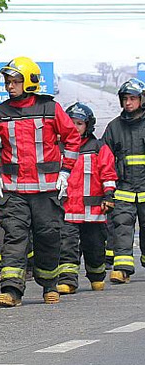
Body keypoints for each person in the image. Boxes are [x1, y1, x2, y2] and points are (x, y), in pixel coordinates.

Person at [0, 56, 80, 307]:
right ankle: (11, 290)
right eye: (7, 81)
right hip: (13, 190)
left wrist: (65, 172)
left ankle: (49, 284)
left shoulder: (51, 109)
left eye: (15, 81)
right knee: (14, 238)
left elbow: (72, 140)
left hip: (47, 189)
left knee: (48, 236)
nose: (9, 86)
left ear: (30, 82)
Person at [57, 103, 116, 294]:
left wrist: (109, 196)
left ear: (88, 125)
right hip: (67, 210)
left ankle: (97, 276)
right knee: (67, 247)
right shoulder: (58, 149)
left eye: (79, 123)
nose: (74, 127)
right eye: (71, 123)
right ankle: (68, 280)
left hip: (94, 211)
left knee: (95, 247)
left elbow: (108, 174)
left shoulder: (99, 148)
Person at [103, 78, 145, 284]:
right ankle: (122, 269)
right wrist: (107, 192)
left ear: (142, 100)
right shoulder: (113, 128)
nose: (128, 103)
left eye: (133, 98)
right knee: (121, 227)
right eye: (125, 99)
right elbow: (104, 160)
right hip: (123, 191)